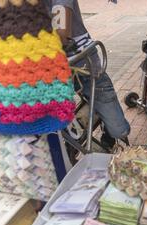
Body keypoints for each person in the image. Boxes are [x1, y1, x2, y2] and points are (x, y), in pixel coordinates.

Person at [43, 0, 130, 150]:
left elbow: (61, 32)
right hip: (49, 74)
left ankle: (100, 117)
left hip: (84, 65)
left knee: (119, 130)